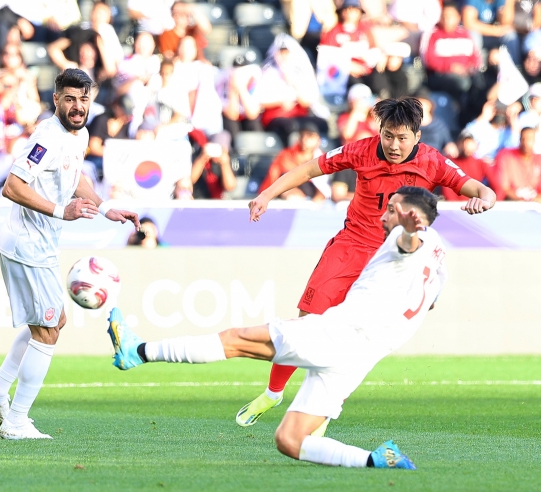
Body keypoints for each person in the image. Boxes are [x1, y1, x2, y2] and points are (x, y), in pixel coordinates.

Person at [109, 186, 447, 470]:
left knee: (236, 340)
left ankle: (136, 352)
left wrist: (407, 231)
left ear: (407, 214)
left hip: (339, 335)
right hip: (360, 358)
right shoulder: (438, 252)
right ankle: (376, 460)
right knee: (289, 439)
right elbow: (427, 299)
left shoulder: (403, 240)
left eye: (390, 210)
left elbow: (407, 244)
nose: (382, 216)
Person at [235, 96, 497, 427]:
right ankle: (273, 394)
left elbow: (483, 190)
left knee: (354, 340)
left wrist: (482, 201)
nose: (394, 145)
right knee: (306, 323)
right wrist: (266, 194)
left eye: (402, 137)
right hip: (351, 245)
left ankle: (321, 415)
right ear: (380, 131)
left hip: (394, 259)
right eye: (388, 135)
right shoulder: (361, 150)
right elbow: (309, 168)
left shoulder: (433, 162)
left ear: (417, 135)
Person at [0, 69, 140, 440]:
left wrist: (106, 205)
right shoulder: (47, 137)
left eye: (83, 99)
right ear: (56, 100)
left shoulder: (77, 135)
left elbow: (76, 176)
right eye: (69, 99)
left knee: (53, 321)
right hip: (26, 244)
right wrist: (60, 211)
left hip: (39, 245)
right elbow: (12, 187)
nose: (77, 107)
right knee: (47, 330)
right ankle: (16, 421)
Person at [421, 2, 482, 104]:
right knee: (462, 84)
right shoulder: (432, 34)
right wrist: (450, 67)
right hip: (440, 75)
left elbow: (475, 56)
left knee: (480, 81)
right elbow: (428, 60)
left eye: (450, 16)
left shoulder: (464, 34)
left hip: (465, 72)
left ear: (458, 17)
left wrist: (469, 68)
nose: (446, 19)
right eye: (444, 16)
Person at [258, 121, 325, 200]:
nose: (305, 139)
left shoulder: (322, 158)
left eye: (309, 136)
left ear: (318, 140)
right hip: (289, 196)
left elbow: (324, 187)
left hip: (313, 200)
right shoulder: (286, 155)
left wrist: (318, 200)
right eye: (302, 135)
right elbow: (273, 176)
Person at [440, 129, 502, 201]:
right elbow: (447, 192)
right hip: (454, 207)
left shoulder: (481, 163)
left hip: (475, 207)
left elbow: (498, 187)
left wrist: (490, 204)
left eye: (469, 142)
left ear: (475, 144)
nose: (465, 145)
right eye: (463, 142)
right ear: (457, 143)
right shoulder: (449, 162)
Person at [462, 0, 520, 66]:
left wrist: (509, 2)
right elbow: (469, 23)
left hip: (494, 35)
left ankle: (516, 66)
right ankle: (476, 68)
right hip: (480, 33)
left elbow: (506, 23)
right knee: (473, 35)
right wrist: (494, 31)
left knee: (510, 34)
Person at [495, 126, 541, 202]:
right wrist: (522, 200)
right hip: (512, 202)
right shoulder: (507, 156)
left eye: (530, 139)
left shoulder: (539, 159)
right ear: (519, 140)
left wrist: (535, 199)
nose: (526, 142)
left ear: (534, 140)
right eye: (523, 138)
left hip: (535, 204)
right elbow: (504, 187)